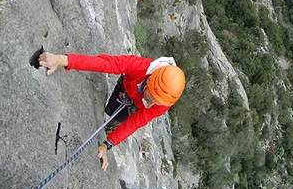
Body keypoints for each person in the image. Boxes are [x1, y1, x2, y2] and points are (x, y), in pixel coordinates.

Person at [38, 51, 185, 171]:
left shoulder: (162, 104)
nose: (151, 103)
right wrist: (63, 60)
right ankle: (110, 116)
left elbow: (136, 122)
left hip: (133, 106)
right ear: (149, 81)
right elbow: (106, 64)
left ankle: (109, 129)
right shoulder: (140, 66)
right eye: (151, 97)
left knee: (117, 121)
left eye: (156, 102)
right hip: (124, 90)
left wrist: (107, 144)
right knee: (110, 109)